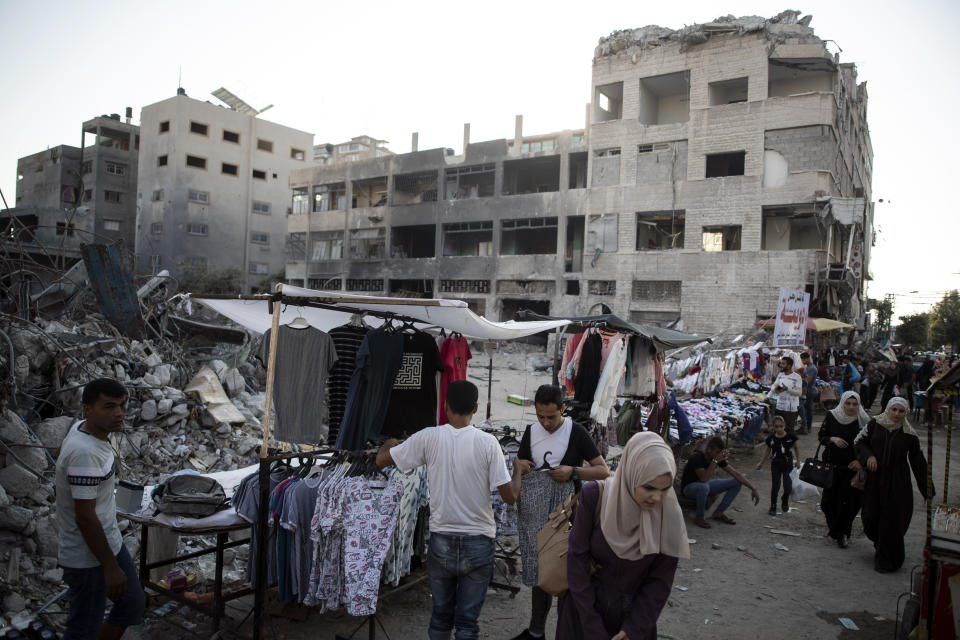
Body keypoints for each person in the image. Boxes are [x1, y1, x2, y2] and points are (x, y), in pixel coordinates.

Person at [376, 380, 517, 640]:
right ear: (475, 408)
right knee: (467, 623)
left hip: (442, 541)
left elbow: (382, 460)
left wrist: (390, 443)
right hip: (479, 540)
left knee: (441, 616)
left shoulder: (429, 437)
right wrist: (518, 471)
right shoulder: (488, 444)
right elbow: (509, 497)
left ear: (445, 406)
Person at [555, 432, 689, 640]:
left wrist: (633, 629)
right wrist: (592, 627)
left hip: (631, 622)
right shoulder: (596, 496)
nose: (657, 497)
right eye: (648, 487)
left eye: (665, 489)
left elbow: (660, 581)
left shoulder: (668, 515)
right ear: (631, 474)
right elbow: (577, 561)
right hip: (583, 615)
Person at [510, 385, 610, 640]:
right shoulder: (531, 432)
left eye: (551, 417)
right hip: (535, 518)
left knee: (566, 574)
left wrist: (573, 472)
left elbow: (602, 470)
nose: (545, 422)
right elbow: (522, 467)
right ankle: (536, 632)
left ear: (562, 409)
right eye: (540, 416)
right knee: (540, 572)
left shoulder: (576, 432)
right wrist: (518, 466)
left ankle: (566, 633)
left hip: (568, 518)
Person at [55, 378, 145, 640]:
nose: (118, 413)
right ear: (88, 408)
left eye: (121, 406)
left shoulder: (81, 431)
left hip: (109, 540)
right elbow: (84, 517)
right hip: (89, 556)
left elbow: (62, 451)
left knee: (132, 603)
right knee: (83, 629)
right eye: (108, 406)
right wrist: (109, 567)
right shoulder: (86, 454)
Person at [855, 397, 931, 572]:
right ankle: (880, 544)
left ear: (906, 413)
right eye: (894, 410)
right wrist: (869, 457)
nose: (896, 414)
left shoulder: (909, 434)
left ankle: (888, 559)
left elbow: (918, 462)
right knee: (870, 516)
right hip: (875, 480)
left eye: (901, 411)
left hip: (897, 482)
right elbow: (859, 443)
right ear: (888, 409)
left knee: (892, 521)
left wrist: (927, 489)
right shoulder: (874, 425)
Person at [817, 390, 871, 548]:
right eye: (848, 403)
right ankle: (834, 528)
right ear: (842, 403)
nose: (851, 407)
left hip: (851, 468)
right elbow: (822, 436)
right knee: (828, 502)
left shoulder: (863, 420)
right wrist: (832, 439)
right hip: (832, 465)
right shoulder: (832, 416)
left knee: (848, 503)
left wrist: (860, 462)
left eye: (855, 404)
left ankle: (843, 533)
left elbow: (869, 445)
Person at [680, 436, 760, 529]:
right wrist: (715, 461)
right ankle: (699, 517)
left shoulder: (716, 458)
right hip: (689, 489)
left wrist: (753, 488)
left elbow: (736, 474)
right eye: (717, 452)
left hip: (704, 485)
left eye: (720, 453)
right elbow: (704, 479)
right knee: (703, 487)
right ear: (709, 449)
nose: (719, 455)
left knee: (736, 482)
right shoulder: (697, 457)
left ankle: (719, 512)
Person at [755, 416, 801, 516]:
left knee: (787, 486)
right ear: (773, 427)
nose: (779, 429)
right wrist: (761, 463)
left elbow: (796, 448)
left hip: (788, 464)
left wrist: (798, 460)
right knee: (775, 486)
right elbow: (767, 450)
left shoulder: (790, 436)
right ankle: (773, 506)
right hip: (776, 464)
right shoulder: (771, 438)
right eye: (776, 427)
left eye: (781, 426)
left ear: (784, 425)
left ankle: (785, 500)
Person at [770, 356, 803, 434]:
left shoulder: (797, 377)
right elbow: (774, 386)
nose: (781, 365)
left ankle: (790, 445)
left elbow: (799, 393)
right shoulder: (780, 375)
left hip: (791, 408)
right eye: (781, 363)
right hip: (779, 406)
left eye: (783, 363)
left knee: (789, 430)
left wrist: (787, 389)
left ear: (789, 366)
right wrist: (775, 390)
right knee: (778, 428)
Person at [799, 351, 819, 434]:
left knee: (807, 410)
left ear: (807, 358)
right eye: (802, 359)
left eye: (804, 359)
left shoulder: (811, 368)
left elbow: (808, 381)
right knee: (807, 410)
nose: (803, 361)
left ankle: (807, 427)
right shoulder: (808, 367)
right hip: (809, 390)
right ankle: (806, 427)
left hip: (809, 391)